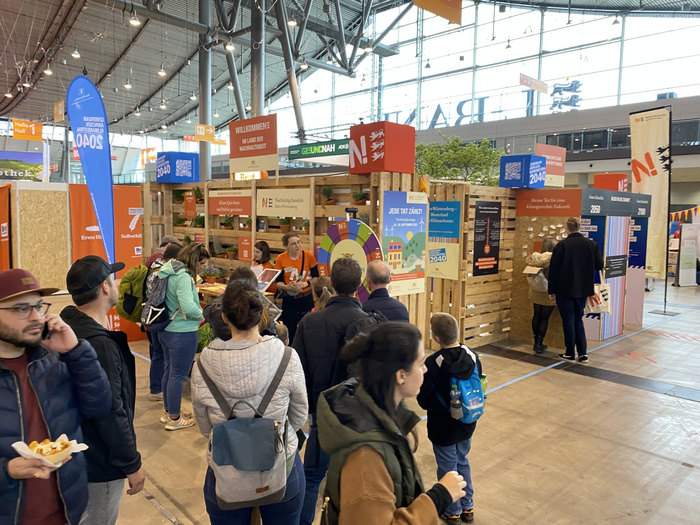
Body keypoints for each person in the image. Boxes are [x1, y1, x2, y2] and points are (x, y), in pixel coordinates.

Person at [317, 322, 467, 525]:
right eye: (420, 363)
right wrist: (437, 499)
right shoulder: (366, 457)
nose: (424, 370)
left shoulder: (385, 416)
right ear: (401, 375)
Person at [0, 268, 112, 525]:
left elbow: (99, 407)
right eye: (20, 309)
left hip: (65, 511)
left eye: (38, 306)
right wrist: (5, 470)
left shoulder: (53, 359)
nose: (36, 317)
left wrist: (76, 352)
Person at [192, 280, 308, 524]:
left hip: (226, 470)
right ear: (263, 315)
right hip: (281, 464)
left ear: (224, 317)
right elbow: (299, 417)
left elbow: (204, 427)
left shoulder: (203, 364)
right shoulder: (287, 356)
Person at [60, 256, 146, 525]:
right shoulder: (100, 346)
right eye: (113, 277)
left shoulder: (68, 329)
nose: (117, 282)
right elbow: (111, 410)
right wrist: (130, 463)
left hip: (75, 454)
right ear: (105, 287)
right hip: (100, 462)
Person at [292, 257, 376, 525]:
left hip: (321, 413)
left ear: (331, 283)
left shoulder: (308, 323)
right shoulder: (367, 323)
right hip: (356, 419)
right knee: (356, 480)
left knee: (312, 476)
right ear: (359, 284)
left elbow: (297, 371)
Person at [417, 313, 482, 524]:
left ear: (436, 338)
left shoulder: (432, 363)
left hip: (442, 426)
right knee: (462, 460)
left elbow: (424, 399)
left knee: (447, 467)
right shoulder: (471, 355)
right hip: (467, 421)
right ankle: (467, 507)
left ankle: (452, 510)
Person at [158, 242, 210, 430]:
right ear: (194, 260)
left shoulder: (168, 272)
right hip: (182, 332)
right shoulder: (183, 278)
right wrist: (201, 315)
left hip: (165, 330)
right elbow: (188, 307)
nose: (203, 268)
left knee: (169, 370)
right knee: (178, 375)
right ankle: (174, 418)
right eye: (202, 264)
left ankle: (169, 411)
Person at [548, 217, 604, 363]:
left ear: (568, 228)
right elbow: (599, 265)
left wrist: (551, 290)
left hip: (563, 289)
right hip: (583, 289)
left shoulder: (561, 246)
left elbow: (553, 269)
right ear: (580, 227)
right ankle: (583, 353)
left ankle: (569, 352)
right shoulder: (592, 245)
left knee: (568, 320)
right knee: (578, 319)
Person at [146, 243, 181, 402]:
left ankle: (156, 388)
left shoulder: (154, 267)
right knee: (160, 354)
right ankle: (157, 389)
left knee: (157, 352)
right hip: (160, 317)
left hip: (151, 315)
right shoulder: (164, 272)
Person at [203, 267, 276, 340]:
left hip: (226, 348)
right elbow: (272, 335)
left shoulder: (214, 309)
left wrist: (227, 296)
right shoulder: (261, 311)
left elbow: (207, 312)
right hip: (257, 347)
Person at [274, 232, 319, 343]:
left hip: (306, 298)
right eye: (293, 244)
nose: (297, 246)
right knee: (290, 331)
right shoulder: (281, 258)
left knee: (308, 330)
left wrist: (306, 284)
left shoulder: (308, 256)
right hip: (289, 299)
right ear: (287, 246)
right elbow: (278, 282)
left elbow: (316, 277)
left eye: (298, 242)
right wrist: (287, 287)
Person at [526, 238, 558, 354]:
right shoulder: (553, 258)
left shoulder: (535, 258)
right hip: (548, 291)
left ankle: (535, 342)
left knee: (536, 316)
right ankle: (539, 343)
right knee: (544, 318)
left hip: (536, 290)